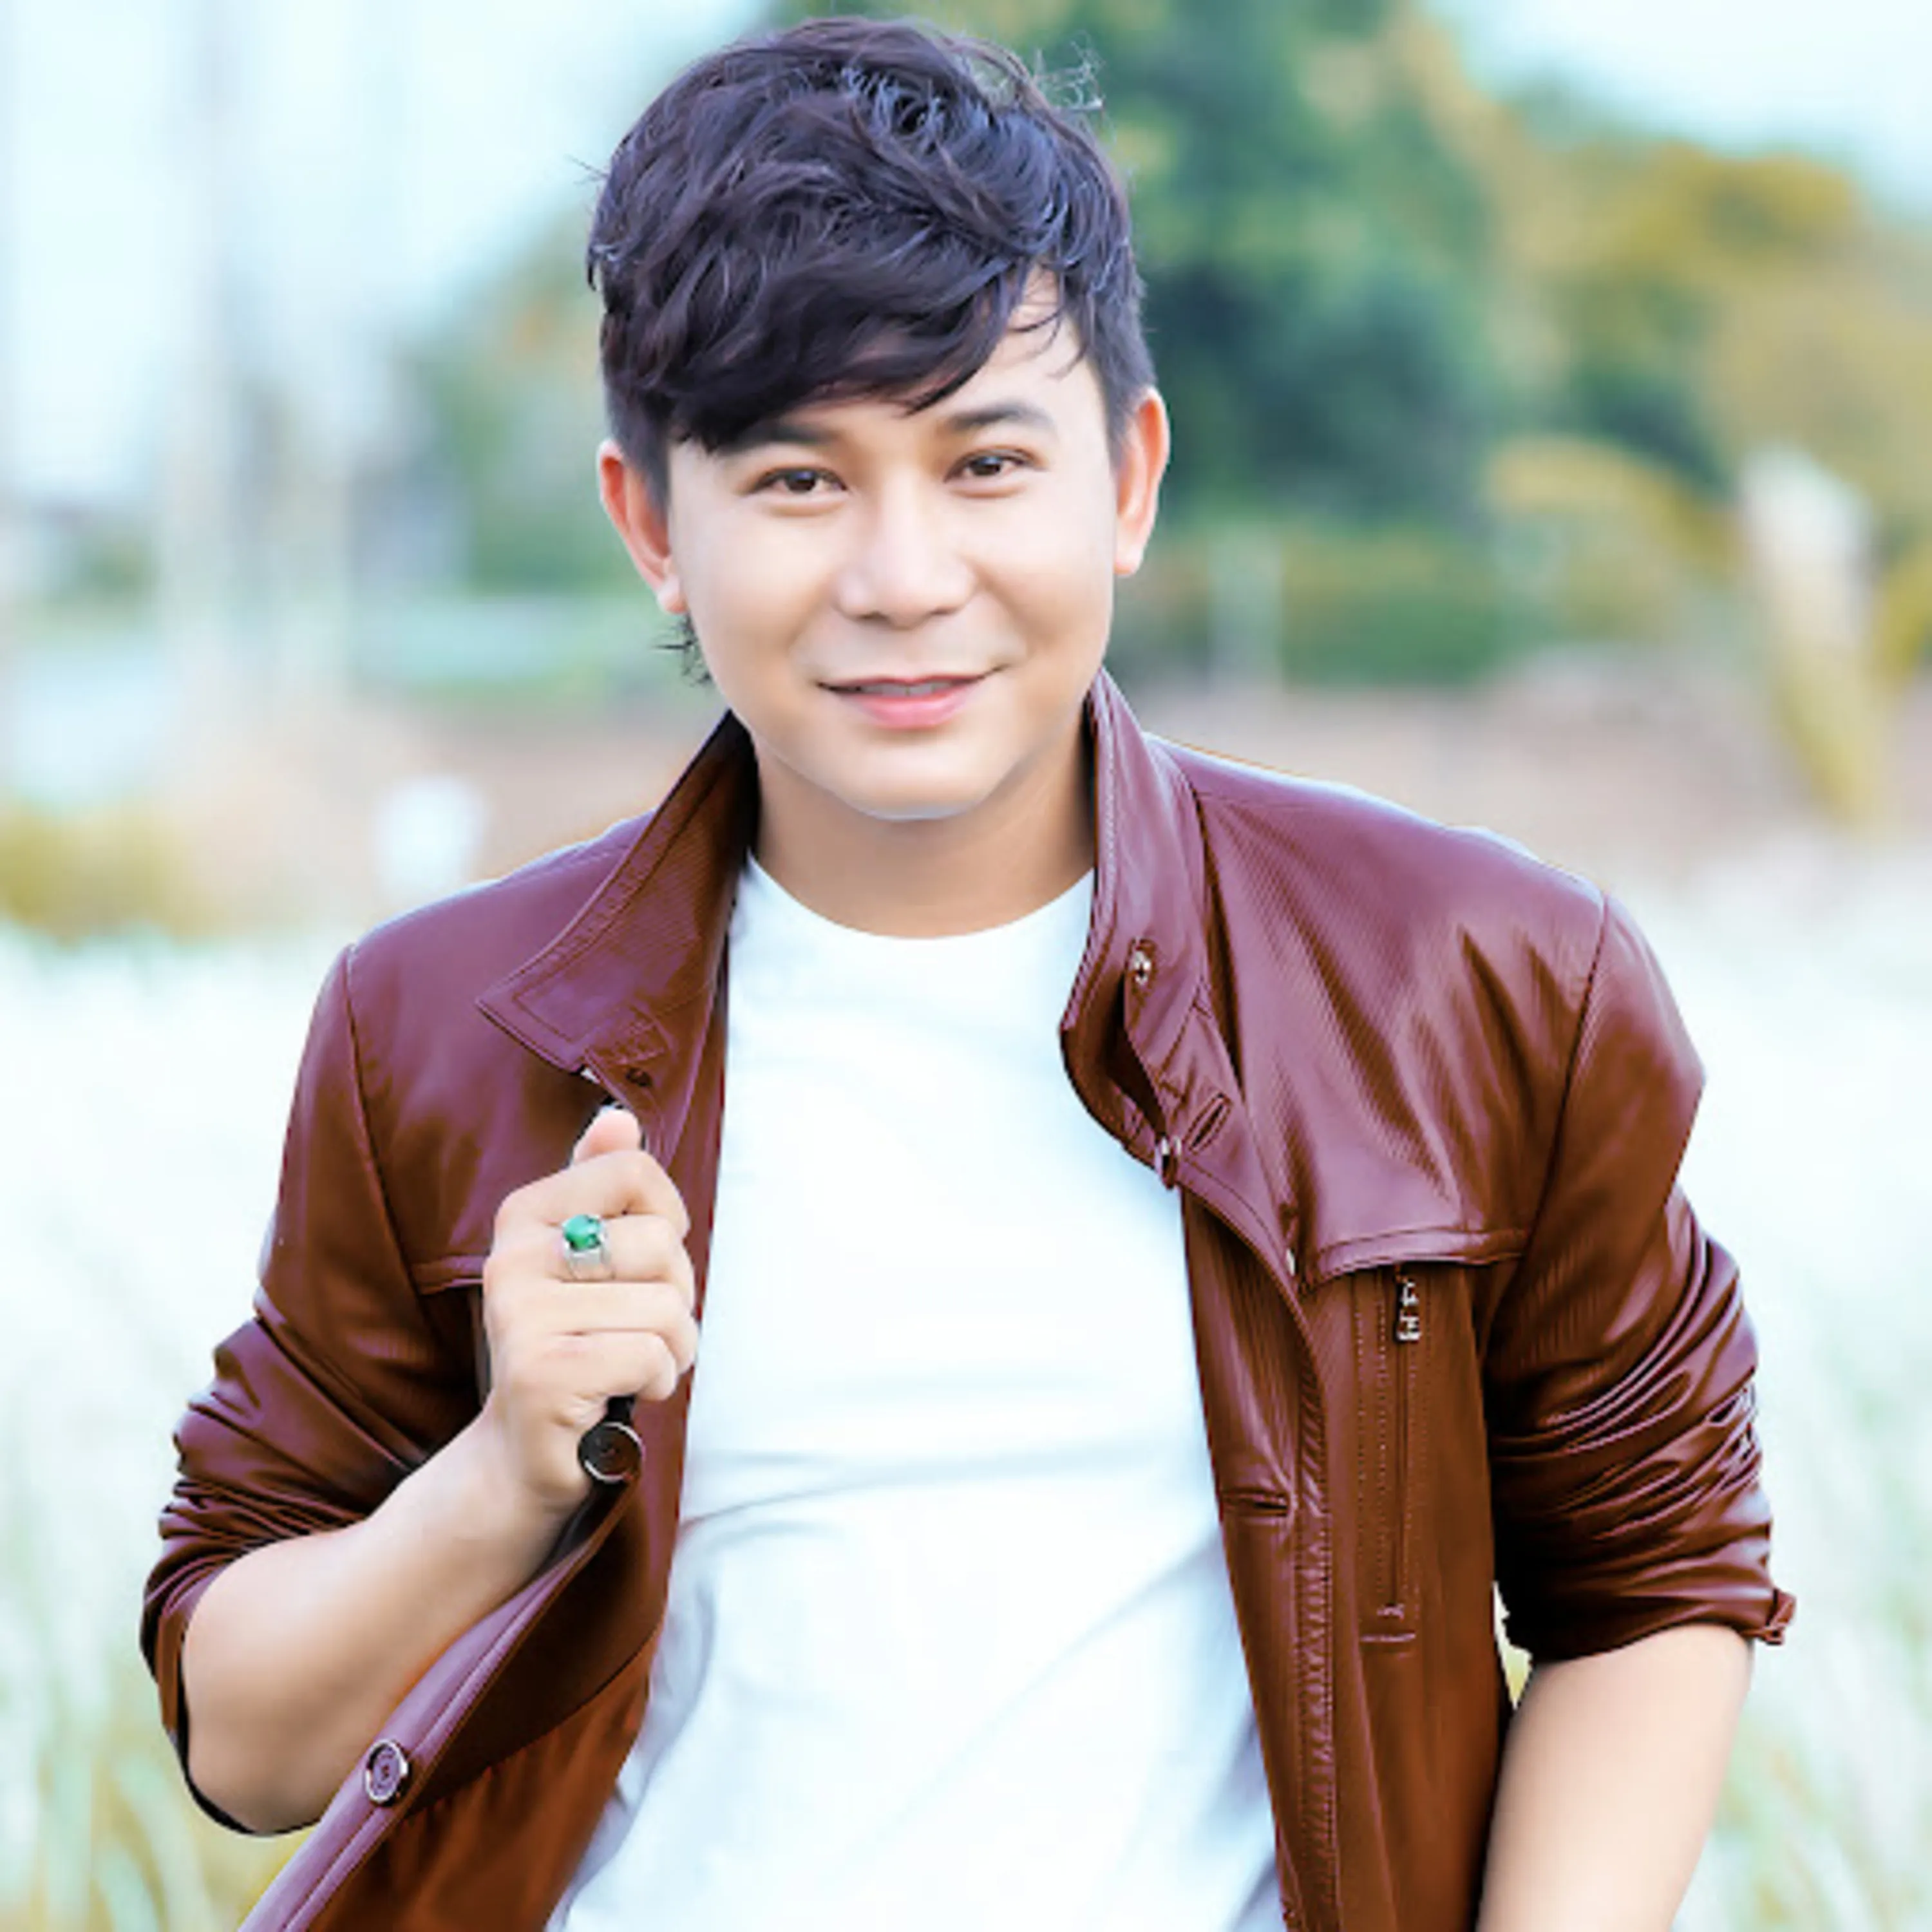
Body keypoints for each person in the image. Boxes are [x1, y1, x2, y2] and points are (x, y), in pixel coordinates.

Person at [142, 17, 1792, 1931]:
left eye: (987, 461)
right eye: (799, 481)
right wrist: (505, 1473)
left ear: (1130, 481)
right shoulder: (439, 1027)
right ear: (652, 526)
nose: (905, 575)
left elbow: (1653, 1582)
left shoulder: (1475, 977)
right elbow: (244, 1742)